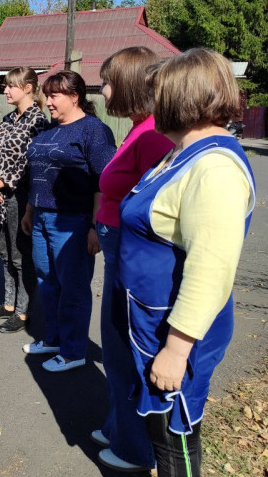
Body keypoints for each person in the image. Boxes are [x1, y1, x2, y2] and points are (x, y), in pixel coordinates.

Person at [116, 48, 255, 476]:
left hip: (177, 332)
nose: (151, 105)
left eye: (157, 95)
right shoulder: (180, 154)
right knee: (161, 433)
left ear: (181, 97)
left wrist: (176, 351)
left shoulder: (214, 167)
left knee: (176, 437)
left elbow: (211, 268)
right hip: (153, 320)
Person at [92, 48, 174, 472]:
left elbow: (155, 210)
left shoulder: (153, 134)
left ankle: (135, 449)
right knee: (115, 344)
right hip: (117, 252)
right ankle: (118, 426)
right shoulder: (138, 129)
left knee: (124, 351)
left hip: (131, 257)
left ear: (126, 83)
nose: (102, 90)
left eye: (106, 81)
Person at [21, 70, 116, 372]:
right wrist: (29, 210)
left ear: (74, 96)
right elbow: (36, 176)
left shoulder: (93, 131)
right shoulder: (48, 130)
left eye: (53, 95)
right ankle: (55, 338)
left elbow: (105, 181)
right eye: (46, 95)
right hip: (40, 218)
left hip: (73, 222)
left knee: (72, 287)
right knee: (47, 282)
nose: (47, 101)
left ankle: (74, 350)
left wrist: (95, 226)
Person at [0, 67, 48, 333]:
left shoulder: (37, 120)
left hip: (20, 196)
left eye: (11, 86)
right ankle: (8, 304)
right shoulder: (8, 118)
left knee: (21, 256)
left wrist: (1, 182)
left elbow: (31, 163)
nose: (6, 90)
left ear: (28, 88)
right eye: (6, 85)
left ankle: (23, 312)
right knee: (5, 253)